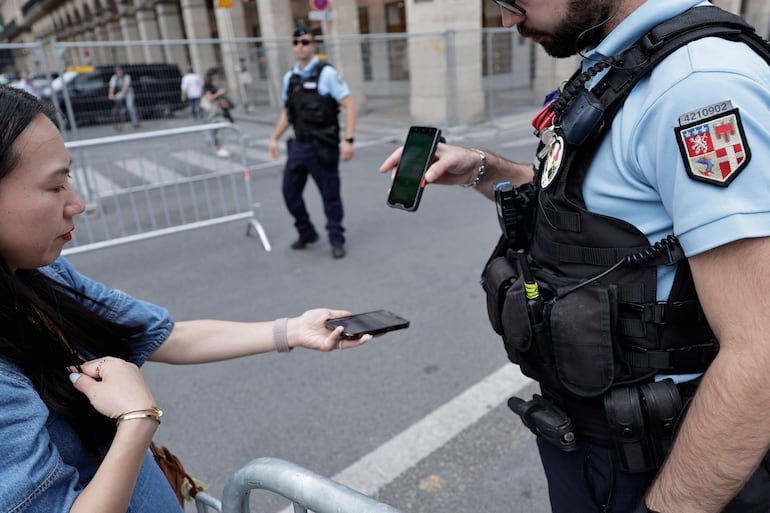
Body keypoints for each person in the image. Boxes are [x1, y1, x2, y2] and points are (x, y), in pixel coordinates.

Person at [380, 1, 770, 512]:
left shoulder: (700, 88)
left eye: (513, 1)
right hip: (593, 442)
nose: (506, 19)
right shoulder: (624, 62)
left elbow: (759, 352)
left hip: (668, 464)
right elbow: (587, 209)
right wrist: (484, 169)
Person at [0, 84, 372, 513]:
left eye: (69, 178)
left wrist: (292, 330)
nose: (77, 203)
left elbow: (163, 335)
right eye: (54, 187)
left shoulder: (43, 272)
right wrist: (137, 422)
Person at [269, 24, 357, 260]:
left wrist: (348, 140)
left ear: (314, 45)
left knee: (330, 197)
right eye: (296, 42)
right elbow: (288, 113)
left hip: (323, 147)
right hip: (299, 146)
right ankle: (306, 232)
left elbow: (348, 104)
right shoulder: (291, 77)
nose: (300, 46)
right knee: (290, 193)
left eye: (305, 42)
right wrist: (274, 138)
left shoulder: (327, 74)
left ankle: (336, 238)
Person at [202, 66, 235, 157]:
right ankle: (218, 147)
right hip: (213, 111)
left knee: (218, 129)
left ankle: (217, 147)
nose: (217, 77)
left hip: (218, 110)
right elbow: (210, 97)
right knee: (217, 129)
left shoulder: (213, 85)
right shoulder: (207, 85)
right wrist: (219, 93)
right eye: (216, 75)